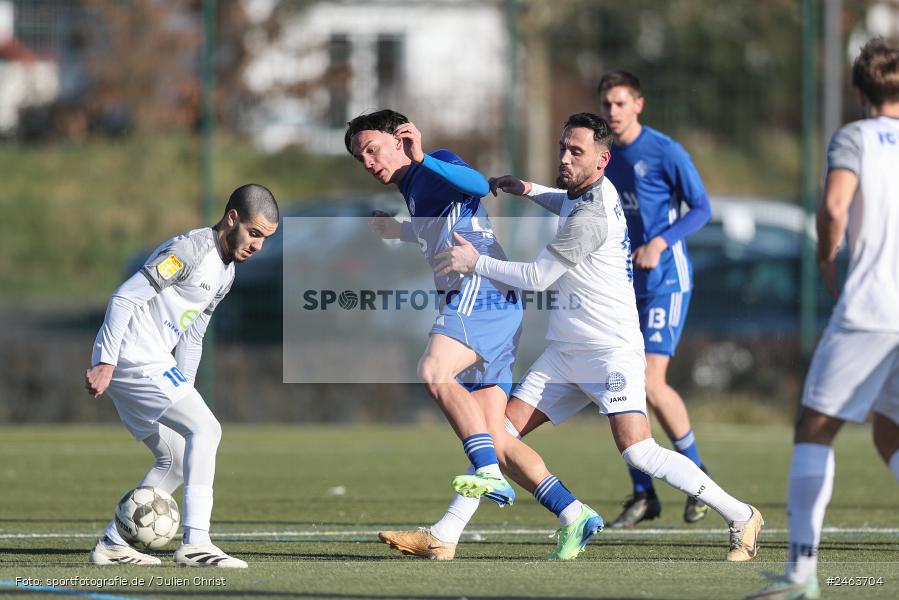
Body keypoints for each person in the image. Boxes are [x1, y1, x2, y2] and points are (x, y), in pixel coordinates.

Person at [397, 112, 763, 562]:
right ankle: (447, 535)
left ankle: (741, 514)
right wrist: (528, 189)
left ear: (602, 159)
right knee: (497, 438)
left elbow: (536, 277)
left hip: (610, 352)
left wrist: (476, 263)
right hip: (564, 355)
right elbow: (564, 200)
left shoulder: (591, 217)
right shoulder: (590, 190)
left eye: (576, 152)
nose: (565, 158)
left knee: (639, 452)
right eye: (563, 148)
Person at [347, 110, 603, 561]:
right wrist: (399, 231)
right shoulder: (413, 186)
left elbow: (479, 187)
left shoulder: (433, 163)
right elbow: (445, 226)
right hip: (492, 303)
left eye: (372, 149)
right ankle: (573, 513)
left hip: (478, 291)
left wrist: (423, 155)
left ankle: (484, 471)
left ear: (401, 138)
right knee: (498, 437)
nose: (367, 162)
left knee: (433, 370)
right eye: (359, 157)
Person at [747, 38, 899, 600]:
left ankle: (802, 574)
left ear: (860, 91)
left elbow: (835, 208)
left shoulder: (855, 136)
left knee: (815, 427)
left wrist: (827, 258)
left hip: (872, 308)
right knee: (889, 432)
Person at [85, 184, 280, 568]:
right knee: (207, 430)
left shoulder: (225, 274)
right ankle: (196, 543)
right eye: (254, 233)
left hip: (152, 362)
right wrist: (105, 360)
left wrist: (185, 388)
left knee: (175, 457)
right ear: (232, 218)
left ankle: (113, 544)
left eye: (265, 239)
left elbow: (192, 334)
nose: (258, 245)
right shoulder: (189, 252)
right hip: (133, 357)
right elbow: (125, 297)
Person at [597, 70, 714, 528]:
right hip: (623, 286)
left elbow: (702, 208)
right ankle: (644, 493)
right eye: (607, 104)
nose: (613, 112)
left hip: (666, 279)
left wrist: (660, 243)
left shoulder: (665, 151)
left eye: (621, 103)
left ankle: (698, 476)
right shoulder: (601, 156)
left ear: (638, 105)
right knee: (620, 383)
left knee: (649, 383)